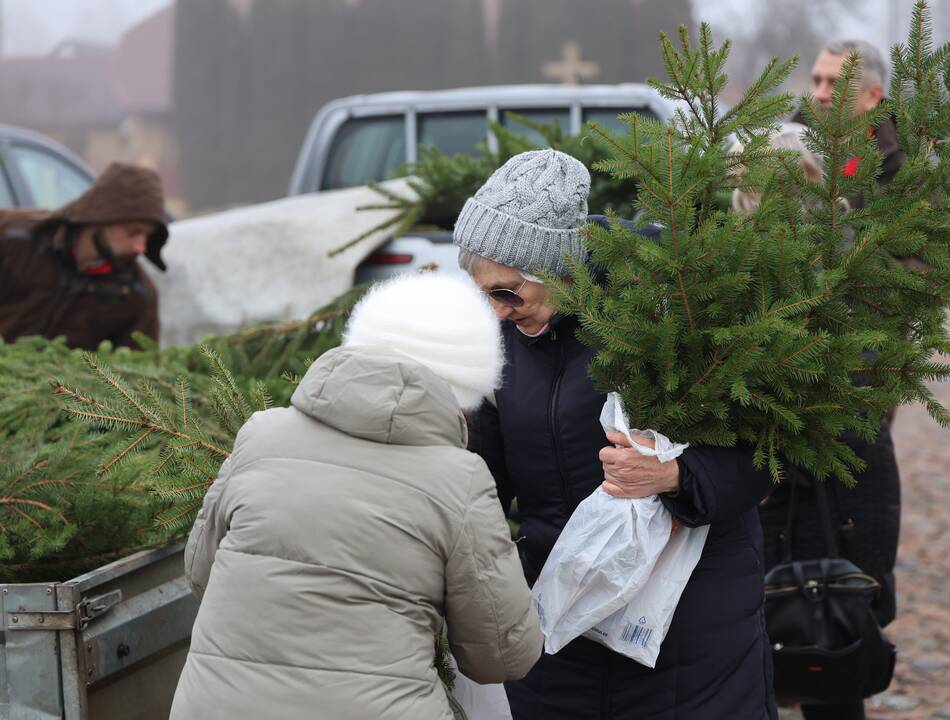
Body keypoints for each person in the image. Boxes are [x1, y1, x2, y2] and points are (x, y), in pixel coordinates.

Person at [457, 148, 778, 719]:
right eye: (482, 293)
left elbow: (769, 451)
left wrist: (676, 474)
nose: (496, 310)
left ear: (559, 270)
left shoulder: (670, 306)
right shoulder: (498, 341)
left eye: (508, 292)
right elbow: (483, 475)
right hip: (561, 622)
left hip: (686, 630)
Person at [170, 273, 543, 720]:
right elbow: (502, 656)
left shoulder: (261, 435)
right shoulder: (458, 480)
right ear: (468, 379)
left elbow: (199, 574)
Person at [748, 50, 904, 720]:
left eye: (832, 84)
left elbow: (916, 276)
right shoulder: (777, 148)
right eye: (812, 80)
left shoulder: (895, 168)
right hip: (762, 435)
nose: (816, 93)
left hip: (848, 406)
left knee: (828, 605)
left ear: (870, 97)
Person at [0, 162, 169, 350]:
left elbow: (134, 370)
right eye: (133, 232)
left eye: (147, 236)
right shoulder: (13, 236)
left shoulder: (135, 293)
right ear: (102, 217)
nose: (140, 247)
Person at [799, 39, 905, 206]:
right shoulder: (782, 150)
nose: (820, 94)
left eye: (835, 83)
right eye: (817, 81)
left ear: (872, 95)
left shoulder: (905, 172)